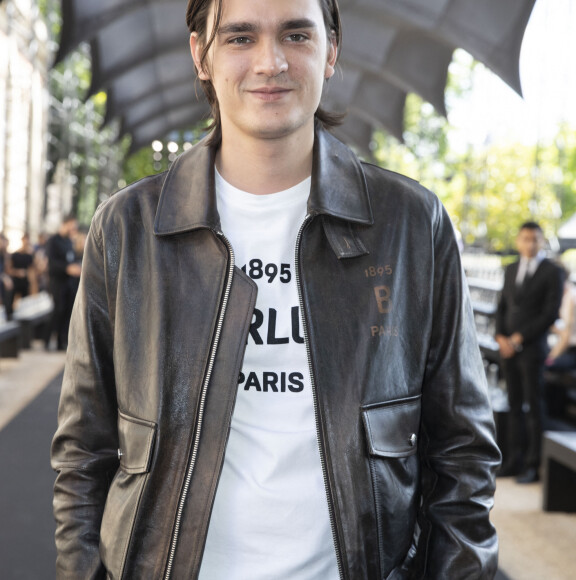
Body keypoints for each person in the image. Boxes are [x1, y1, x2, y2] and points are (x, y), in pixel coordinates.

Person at [51, 0, 501, 578]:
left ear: (331, 49)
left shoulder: (411, 225)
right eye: (240, 38)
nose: (271, 62)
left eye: (295, 34)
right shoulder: (129, 229)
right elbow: (83, 450)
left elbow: (462, 453)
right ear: (201, 55)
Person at [495, 222, 564, 483]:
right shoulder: (511, 268)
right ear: (518, 240)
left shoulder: (552, 271)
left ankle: (534, 465)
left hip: (533, 349)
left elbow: (550, 313)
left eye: (534, 239)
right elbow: (501, 305)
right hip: (508, 349)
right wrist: (501, 337)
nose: (529, 243)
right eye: (525, 238)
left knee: (534, 406)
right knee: (513, 405)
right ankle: (513, 460)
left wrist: (518, 338)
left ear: (541, 241)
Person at [45, 215, 81, 350]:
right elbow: (52, 263)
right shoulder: (53, 241)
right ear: (65, 224)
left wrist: (76, 266)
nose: (74, 229)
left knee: (67, 311)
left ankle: (61, 342)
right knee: (58, 310)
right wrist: (67, 268)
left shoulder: (68, 242)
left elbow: (71, 259)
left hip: (69, 282)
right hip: (57, 281)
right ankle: (47, 340)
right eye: (72, 225)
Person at [545, 271, 576, 371]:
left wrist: (550, 358)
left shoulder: (572, 298)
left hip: (575, 351)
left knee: (544, 364)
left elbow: (566, 338)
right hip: (568, 348)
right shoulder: (565, 295)